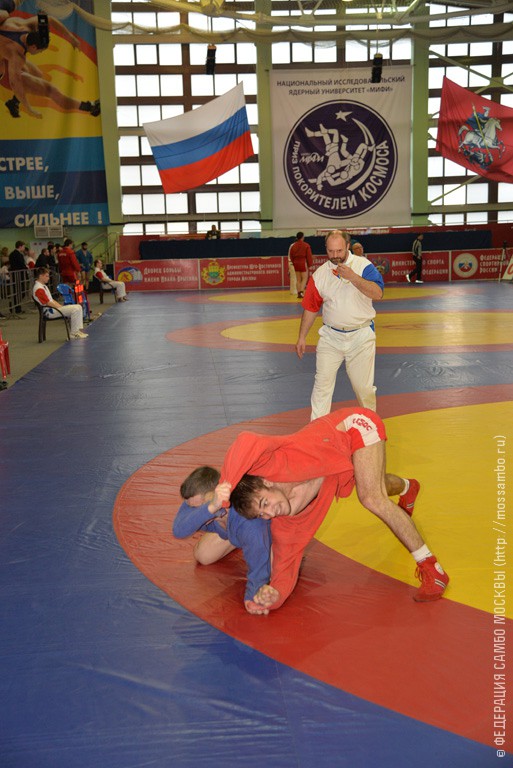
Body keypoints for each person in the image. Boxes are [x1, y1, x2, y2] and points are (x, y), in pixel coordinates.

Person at [220, 407, 446, 613]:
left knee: (371, 497)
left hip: (350, 427)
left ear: (266, 482)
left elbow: (245, 440)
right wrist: (272, 597)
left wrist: (225, 490)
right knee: (376, 485)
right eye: (262, 515)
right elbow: (284, 568)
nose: (270, 514)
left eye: (264, 504)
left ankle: (433, 570)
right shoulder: (288, 524)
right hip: (339, 465)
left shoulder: (272, 463)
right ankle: (407, 487)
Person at [296, 229, 383, 419]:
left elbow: (378, 293)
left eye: (339, 251)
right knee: (322, 385)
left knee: (363, 388)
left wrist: (353, 277)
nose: (335, 256)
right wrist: (302, 336)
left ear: (347, 247)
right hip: (331, 336)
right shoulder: (320, 274)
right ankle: (317, 428)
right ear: (326, 249)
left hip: (361, 335)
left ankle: (370, 425)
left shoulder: (363, 266)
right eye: (331, 251)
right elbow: (311, 307)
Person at [173, 466, 272, 613]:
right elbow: (179, 530)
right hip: (232, 528)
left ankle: (274, 547)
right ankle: (236, 538)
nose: (198, 512)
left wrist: (252, 596)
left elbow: (259, 566)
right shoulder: (197, 500)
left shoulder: (248, 519)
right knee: (203, 555)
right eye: (193, 507)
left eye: (202, 507)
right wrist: (209, 509)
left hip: (263, 530)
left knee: (272, 568)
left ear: (217, 495)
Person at [0, 19, 100, 119]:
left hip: (5, 55)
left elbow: (50, 20)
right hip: (4, 69)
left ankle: (14, 102)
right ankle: (89, 107)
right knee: (51, 91)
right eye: (40, 51)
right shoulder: (17, 56)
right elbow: (14, 83)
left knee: (37, 74)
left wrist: (71, 37)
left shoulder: (23, 25)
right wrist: (28, 108)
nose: (40, 53)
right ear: (34, 47)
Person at [32, 266, 87, 338]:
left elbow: (51, 300)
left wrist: (61, 307)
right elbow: (48, 303)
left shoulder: (43, 286)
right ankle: (73, 333)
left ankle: (77, 331)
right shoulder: (38, 289)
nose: (48, 278)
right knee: (75, 309)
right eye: (46, 276)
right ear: (40, 276)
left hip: (53, 309)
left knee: (78, 307)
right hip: (49, 312)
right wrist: (60, 308)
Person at [288, 232, 313, 299]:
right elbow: (309, 256)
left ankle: (299, 292)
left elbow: (291, 255)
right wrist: (309, 264)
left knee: (298, 279)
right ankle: (301, 292)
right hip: (302, 262)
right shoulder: (306, 245)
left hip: (296, 263)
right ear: (302, 237)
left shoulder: (293, 246)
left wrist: (294, 262)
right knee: (304, 278)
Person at [8, 239, 29, 315]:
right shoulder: (18, 255)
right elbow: (21, 265)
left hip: (15, 276)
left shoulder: (11, 254)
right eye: (23, 246)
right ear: (20, 246)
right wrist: (26, 268)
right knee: (20, 292)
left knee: (17, 292)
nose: (24, 248)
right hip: (19, 276)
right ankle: (15, 307)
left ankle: (16, 307)